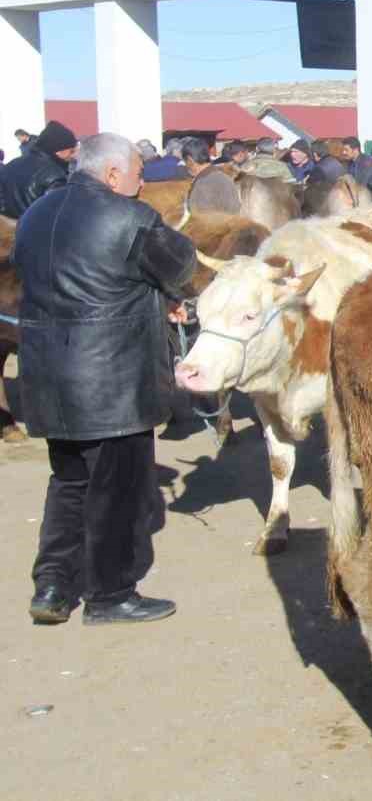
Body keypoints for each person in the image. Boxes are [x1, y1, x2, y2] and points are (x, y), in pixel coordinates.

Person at [19, 132, 197, 626]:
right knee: (118, 490)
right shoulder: (129, 216)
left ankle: (53, 585)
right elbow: (180, 263)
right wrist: (170, 288)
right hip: (111, 378)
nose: (142, 183)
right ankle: (110, 593)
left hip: (48, 375)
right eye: (139, 173)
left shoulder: (35, 214)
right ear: (113, 173)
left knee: (70, 482)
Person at [1, 119, 77, 218]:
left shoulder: (11, 164)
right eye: (71, 151)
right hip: (33, 232)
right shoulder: (55, 175)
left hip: (5, 230)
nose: (74, 155)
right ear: (58, 151)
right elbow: (56, 215)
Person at [183, 137, 242, 215]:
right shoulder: (225, 178)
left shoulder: (201, 184)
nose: (185, 166)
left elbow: (198, 220)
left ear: (190, 160)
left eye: (185, 161)